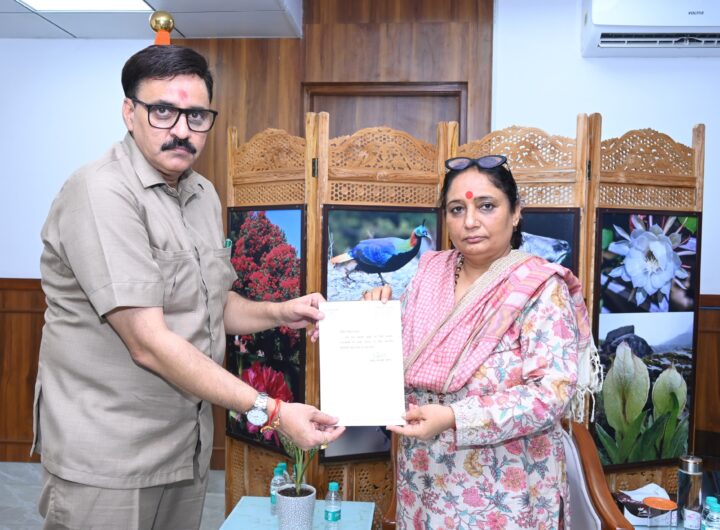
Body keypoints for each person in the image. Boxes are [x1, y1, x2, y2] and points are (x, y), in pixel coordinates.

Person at [33, 44, 343, 530]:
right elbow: (147, 342)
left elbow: (213, 305)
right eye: (163, 111)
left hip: (185, 443)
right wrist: (273, 412)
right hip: (111, 454)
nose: (181, 130)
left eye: (196, 115)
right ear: (129, 112)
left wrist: (283, 311)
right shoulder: (101, 192)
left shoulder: (201, 193)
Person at [365, 155, 600, 529]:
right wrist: (372, 318)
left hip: (504, 491)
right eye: (457, 209)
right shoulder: (429, 274)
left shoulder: (539, 288)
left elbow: (550, 394)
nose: (470, 221)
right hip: (423, 478)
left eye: (486, 206)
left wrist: (454, 417)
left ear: (516, 212)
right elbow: (403, 358)